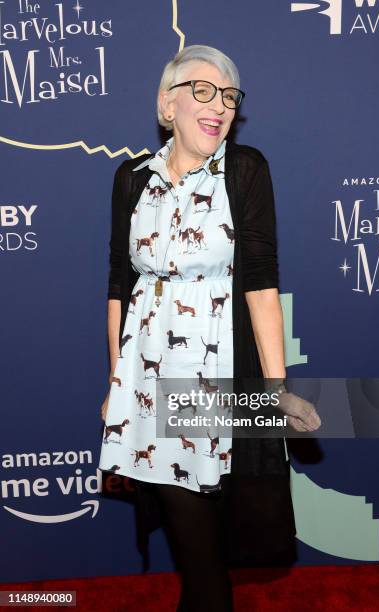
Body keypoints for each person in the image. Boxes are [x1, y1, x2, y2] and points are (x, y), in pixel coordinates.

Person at [98, 45, 321, 612]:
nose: (218, 104)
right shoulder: (131, 181)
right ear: (166, 106)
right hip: (150, 387)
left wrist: (276, 390)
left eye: (227, 95)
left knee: (216, 539)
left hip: (220, 381)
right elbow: (120, 286)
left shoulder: (244, 172)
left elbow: (262, 284)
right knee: (195, 550)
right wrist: (115, 384)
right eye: (202, 90)